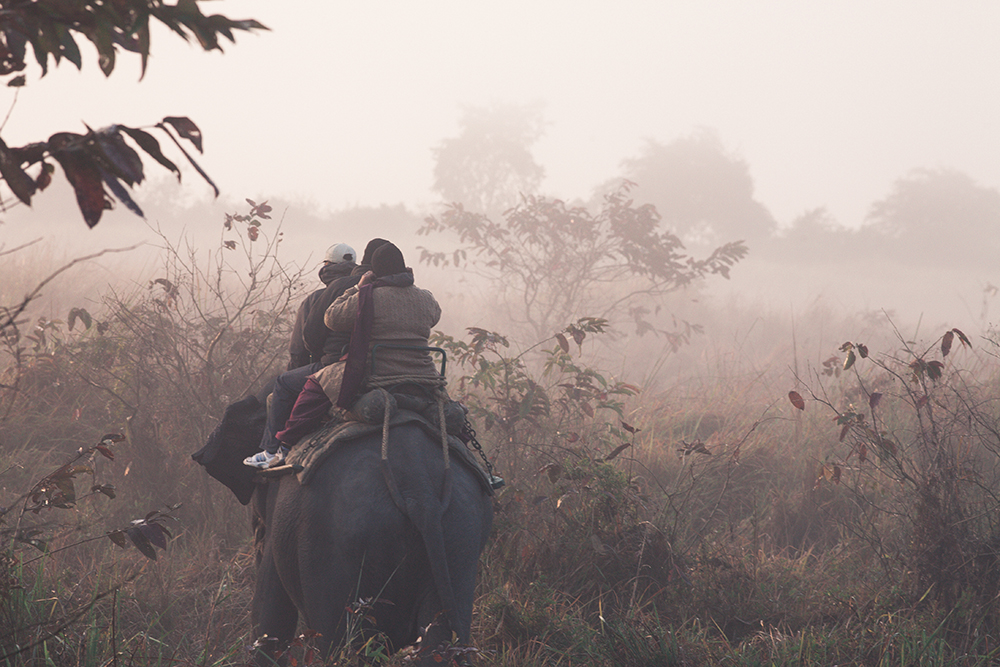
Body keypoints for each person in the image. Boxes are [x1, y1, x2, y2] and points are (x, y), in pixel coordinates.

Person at [271, 242, 443, 450]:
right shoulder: (426, 298)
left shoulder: (368, 296)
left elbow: (331, 318)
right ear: (405, 268)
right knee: (451, 415)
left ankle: (283, 445)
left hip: (378, 372)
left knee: (314, 386)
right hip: (425, 376)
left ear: (375, 272)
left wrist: (358, 287)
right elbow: (434, 317)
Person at [242, 238, 390, 468]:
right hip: (392, 368)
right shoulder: (401, 291)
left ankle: (272, 451)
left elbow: (309, 339)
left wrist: (322, 356)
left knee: (282, 384)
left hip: (339, 366)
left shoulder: (339, 290)